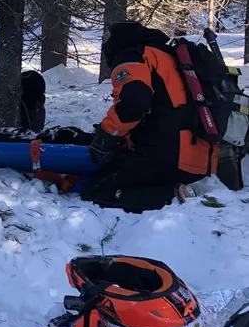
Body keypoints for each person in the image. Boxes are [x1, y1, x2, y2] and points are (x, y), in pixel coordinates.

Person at [83, 21, 216, 213]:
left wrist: (106, 136)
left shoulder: (132, 56)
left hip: (169, 158)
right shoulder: (167, 56)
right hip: (199, 160)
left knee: (98, 188)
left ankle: (171, 195)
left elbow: (133, 104)